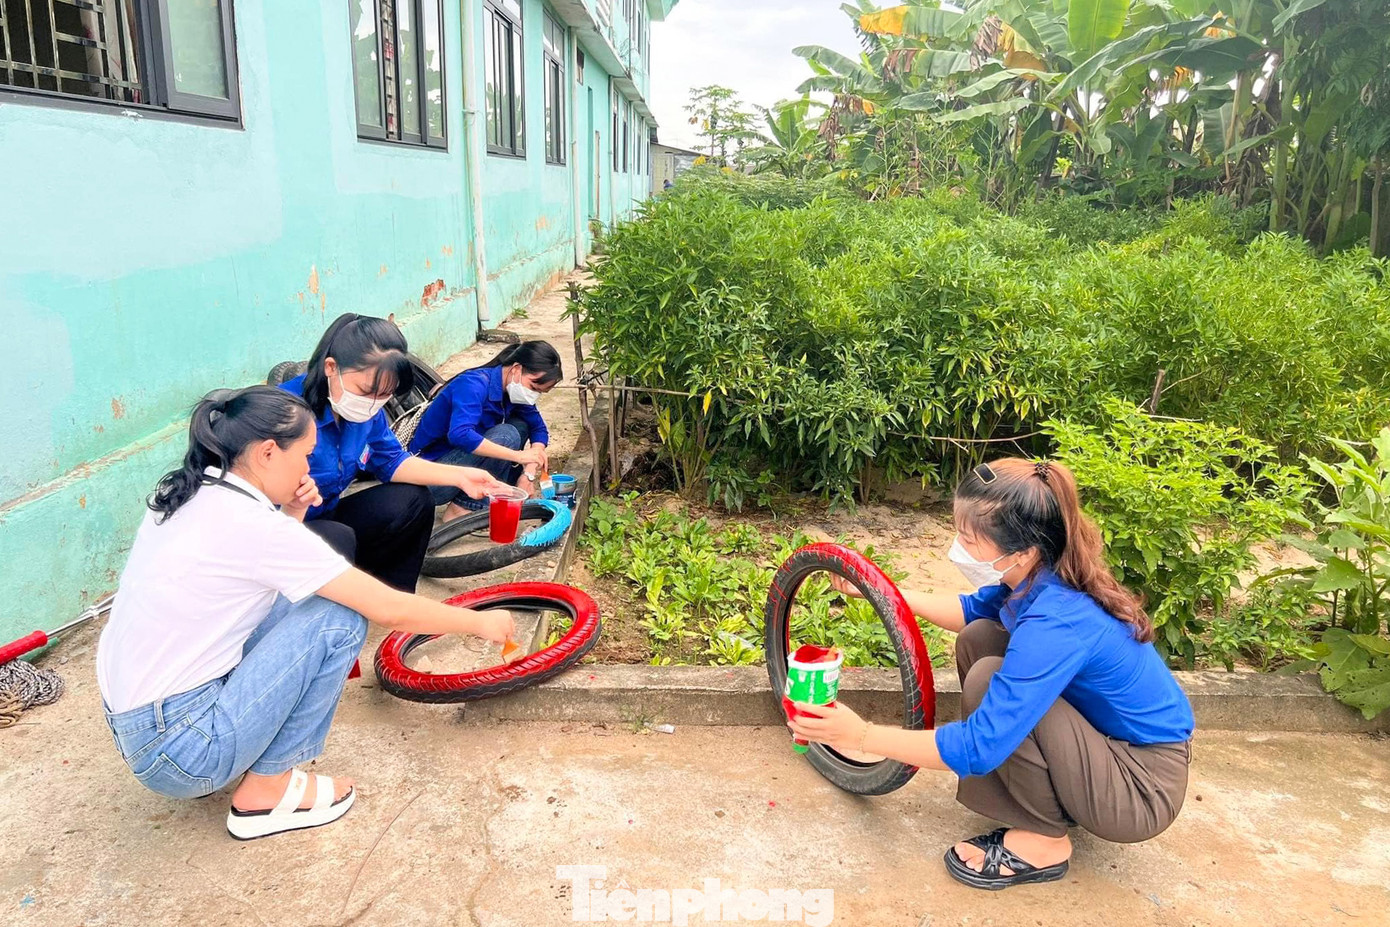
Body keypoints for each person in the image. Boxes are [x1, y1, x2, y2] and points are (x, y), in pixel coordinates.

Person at [97, 386, 516, 839]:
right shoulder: (255, 526)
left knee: (297, 597)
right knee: (339, 619)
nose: (308, 467)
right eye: (306, 454)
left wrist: (292, 511)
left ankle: (245, 759)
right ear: (267, 453)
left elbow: (256, 576)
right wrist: (481, 622)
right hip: (185, 750)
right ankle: (267, 790)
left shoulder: (191, 491)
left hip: (144, 727)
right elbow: (389, 608)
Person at [789, 459, 1195, 890]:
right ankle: (1048, 801)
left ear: (1021, 550)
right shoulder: (1040, 572)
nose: (958, 546)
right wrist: (879, 591)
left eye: (968, 538)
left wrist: (860, 735)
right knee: (981, 637)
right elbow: (969, 611)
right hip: (1108, 750)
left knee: (988, 680)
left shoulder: (1057, 620)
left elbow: (977, 745)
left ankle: (1044, 844)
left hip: (1140, 787)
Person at [280, 313, 507, 592]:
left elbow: (392, 461)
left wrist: (460, 476)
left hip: (327, 514)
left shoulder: (367, 412)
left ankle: (398, 596)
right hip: (284, 531)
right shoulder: (284, 414)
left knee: (414, 499)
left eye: (384, 395)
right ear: (330, 367)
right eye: (365, 391)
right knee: (336, 538)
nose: (372, 404)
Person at [408, 341, 563, 520]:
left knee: (520, 426)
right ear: (516, 369)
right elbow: (460, 434)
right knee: (507, 435)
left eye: (540, 393)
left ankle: (483, 500)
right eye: (533, 388)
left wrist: (529, 471)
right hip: (431, 481)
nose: (533, 395)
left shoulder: (513, 393)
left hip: (463, 471)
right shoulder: (473, 384)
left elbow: (538, 428)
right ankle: (464, 508)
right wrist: (519, 456)